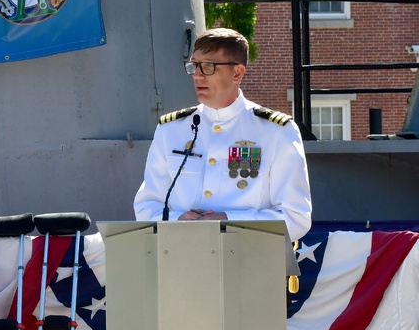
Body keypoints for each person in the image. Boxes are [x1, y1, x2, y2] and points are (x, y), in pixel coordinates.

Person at [134, 27, 312, 243]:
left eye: (209, 66)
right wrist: (177, 220)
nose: (198, 75)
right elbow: (147, 206)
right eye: (195, 65)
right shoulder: (170, 130)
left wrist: (228, 222)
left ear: (237, 73)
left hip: (249, 263)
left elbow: (296, 217)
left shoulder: (276, 131)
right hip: (180, 260)